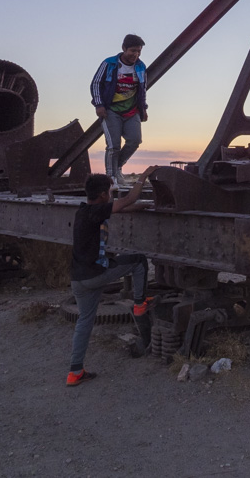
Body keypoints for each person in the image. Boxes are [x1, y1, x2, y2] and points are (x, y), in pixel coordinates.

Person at [67, 168, 156, 386]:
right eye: (109, 191)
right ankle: (139, 304)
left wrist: (144, 206)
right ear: (103, 195)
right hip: (95, 275)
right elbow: (128, 199)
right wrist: (144, 177)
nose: (111, 194)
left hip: (78, 280)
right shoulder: (96, 211)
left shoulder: (85, 211)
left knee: (84, 322)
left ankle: (75, 372)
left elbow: (122, 207)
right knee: (139, 261)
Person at [91, 34, 148, 186]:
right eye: (133, 51)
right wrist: (99, 105)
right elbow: (96, 83)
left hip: (131, 111)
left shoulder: (141, 67)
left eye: (139, 51)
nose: (135, 55)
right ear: (123, 48)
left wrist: (144, 108)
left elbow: (143, 88)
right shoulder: (109, 64)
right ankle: (111, 178)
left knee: (135, 140)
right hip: (111, 110)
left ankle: (117, 168)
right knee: (113, 146)